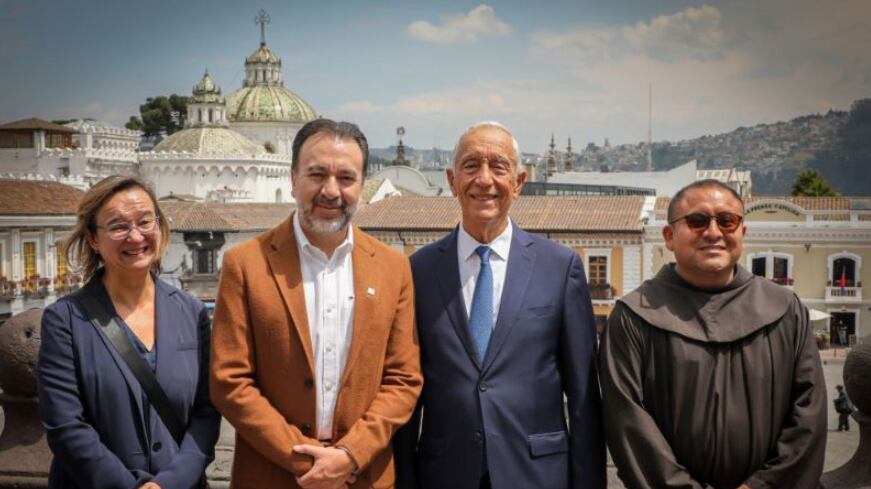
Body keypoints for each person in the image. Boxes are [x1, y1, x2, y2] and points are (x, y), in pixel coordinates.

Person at [210, 118, 422, 489]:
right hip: (271, 476)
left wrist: (350, 455)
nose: (330, 190)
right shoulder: (245, 263)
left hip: (362, 476)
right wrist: (306, 459)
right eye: (317, 174)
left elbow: (403, 380)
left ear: (361, 185)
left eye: (346, 178)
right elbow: (230, 381)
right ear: (293, 179)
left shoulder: (393, 267)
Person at [394, 122, 605, 489]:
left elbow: (584, 395)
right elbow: (406, 389)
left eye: (499, 166)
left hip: (537, 475)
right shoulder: (418, 270)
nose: (484, 179)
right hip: (444, 474)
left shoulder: (559, 267)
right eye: (471, 165)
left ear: (519, 181)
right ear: (452, 179)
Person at [600, 180, 827, 489]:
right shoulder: (634, 315)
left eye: (727, 220)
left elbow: (809, 414)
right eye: (696, 221)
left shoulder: (785, 310)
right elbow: (627, 422)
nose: (713, 232)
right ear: (669, 236)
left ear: (742, 233)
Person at [38, 176, 221, 489]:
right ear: (93, 239)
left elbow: (207, 411)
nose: (136, 236)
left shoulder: (191, 312)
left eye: (145, 221)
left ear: (160, 227)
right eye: (118, 226)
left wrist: (170, 483)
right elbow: (65, 425)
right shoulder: (64, 320)